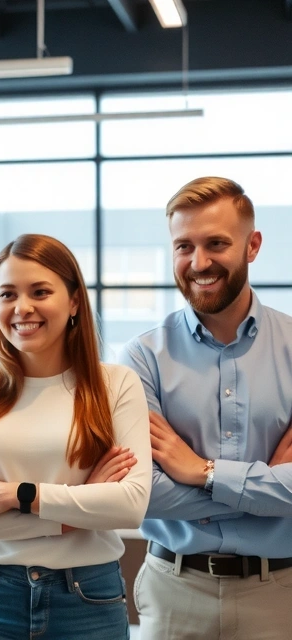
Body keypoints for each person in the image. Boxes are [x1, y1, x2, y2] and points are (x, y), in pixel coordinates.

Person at [0, 234, 151, 640]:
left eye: (40, 291)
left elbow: (130, 506)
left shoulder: (115, 385)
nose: (22, 308)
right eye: (7, 294)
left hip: (87, 598)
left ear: (74, 301)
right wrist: (74, 518)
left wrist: (15, 495)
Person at [118, 177, 292, 640]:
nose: (199, 263)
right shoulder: (141, 358)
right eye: (183, 246)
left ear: (252, 245)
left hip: (279, 593)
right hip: (175, 591)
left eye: (216, 243)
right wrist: (267, 492)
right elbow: (142, 494)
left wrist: (202, 471)